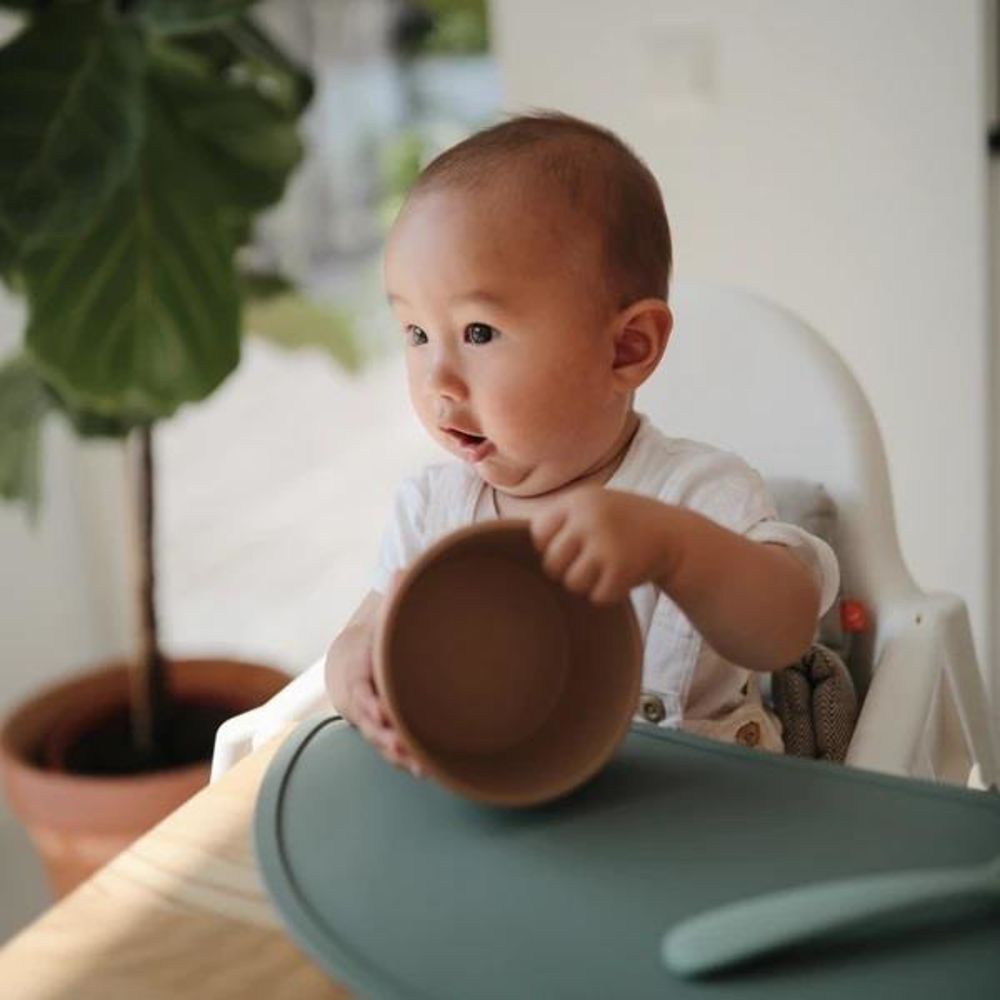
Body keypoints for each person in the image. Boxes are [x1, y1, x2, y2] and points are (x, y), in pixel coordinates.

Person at [326, 111, 839, 777]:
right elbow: (365, 633)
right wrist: (353, 677)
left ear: (627, 348)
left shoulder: (695, 494)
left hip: (694, 818)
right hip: (507, 804)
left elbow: (785, 627)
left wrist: (672, 547)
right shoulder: (432, 510)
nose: (437, 381)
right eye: (417, 334)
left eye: (479, 333)